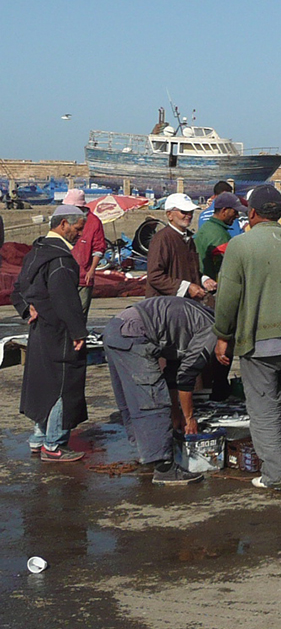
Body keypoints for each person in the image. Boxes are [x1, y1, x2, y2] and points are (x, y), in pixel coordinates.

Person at [213, 185, 281, 490]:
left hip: (259, 344)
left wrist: (223, 335)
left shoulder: (241, 246)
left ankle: (275, 476)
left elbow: (227, 297)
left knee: (264, 411)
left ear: (251, 212)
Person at [102, 297, 217, 485]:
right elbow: (186, 378)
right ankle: (164, 468)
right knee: (153, 400)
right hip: (132, 334)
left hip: (116, 329)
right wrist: (189, 419)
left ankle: (148, 454)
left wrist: (177, 414)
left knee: (134, 399)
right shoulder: (211, 331)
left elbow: (173, 374)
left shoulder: (197, 320)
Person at [11, 205, 89, 462]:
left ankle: (38, 437)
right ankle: (54, 445)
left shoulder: (37, 251)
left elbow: (18, 289)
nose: (79, 234)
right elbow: (65, 299)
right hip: (59, 330)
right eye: (78, 229)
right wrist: (78, 331)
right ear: (64, 224)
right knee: (62, 385)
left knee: (43, 382)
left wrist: (26, 309)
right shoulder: (61, 260)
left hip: (39, 330)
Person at [146, 193, 215, 300]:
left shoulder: (188, 238)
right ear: (169, 214)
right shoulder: (161, 239)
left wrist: (204, 280)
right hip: (164, 304)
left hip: (183, 303)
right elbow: (155, 276)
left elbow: (190, 270)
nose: (189, 215)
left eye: (191, 212)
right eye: (184, 212)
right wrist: (187, 287)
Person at [63, 189, 107, 318]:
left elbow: (98, 247)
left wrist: (92, 270)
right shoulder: (64, 220)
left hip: (84, 276)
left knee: (80, 313)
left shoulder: (94, 222)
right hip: (64, 274)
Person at [193, 192, 246, 283]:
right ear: (224, 211)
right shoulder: (220, 236)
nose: (237, 216)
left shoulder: (207, 227)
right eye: (235, 211)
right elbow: (227, 271)